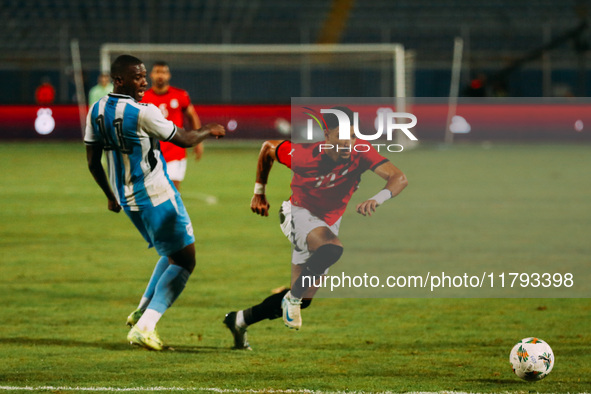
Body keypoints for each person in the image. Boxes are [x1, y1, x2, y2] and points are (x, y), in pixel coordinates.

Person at [223, 107, 408, 350]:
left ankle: (238, 320)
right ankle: (293, 297)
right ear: (326, 135)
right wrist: (259, 192)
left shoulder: (360, 152)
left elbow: (398, 177)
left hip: (327, 223)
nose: (348, 143)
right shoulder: (303, 155)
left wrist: (378, 198)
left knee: (306, 298)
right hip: (298, 213)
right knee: (332, 249)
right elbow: (268, 147)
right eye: (342, 136)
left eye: (353, 137)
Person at [84, 54, 225, 351]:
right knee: (186, 260)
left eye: (145, 76)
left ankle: (141, 312)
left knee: (170, 251)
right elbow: (184, 138)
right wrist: (208, 130)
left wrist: (110, 195)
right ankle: (146, 327)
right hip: (158, 194)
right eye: (138, 77)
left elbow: (93, 161)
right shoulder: (143, 112)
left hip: (129, 201)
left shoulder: (96, 111)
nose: (144, 82)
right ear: (119, 80)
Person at [142, 61, 203, 191]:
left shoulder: (180, 95)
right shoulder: (143, 98)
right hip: (151, 152)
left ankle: (172, 211)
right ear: (151, 75)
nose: (160, 76)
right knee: (154, 192)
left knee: (172, 189)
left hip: (176, 151)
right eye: (157, 72)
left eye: (163, 72)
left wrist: (198, 141)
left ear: (168, 75)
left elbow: (192, 116)